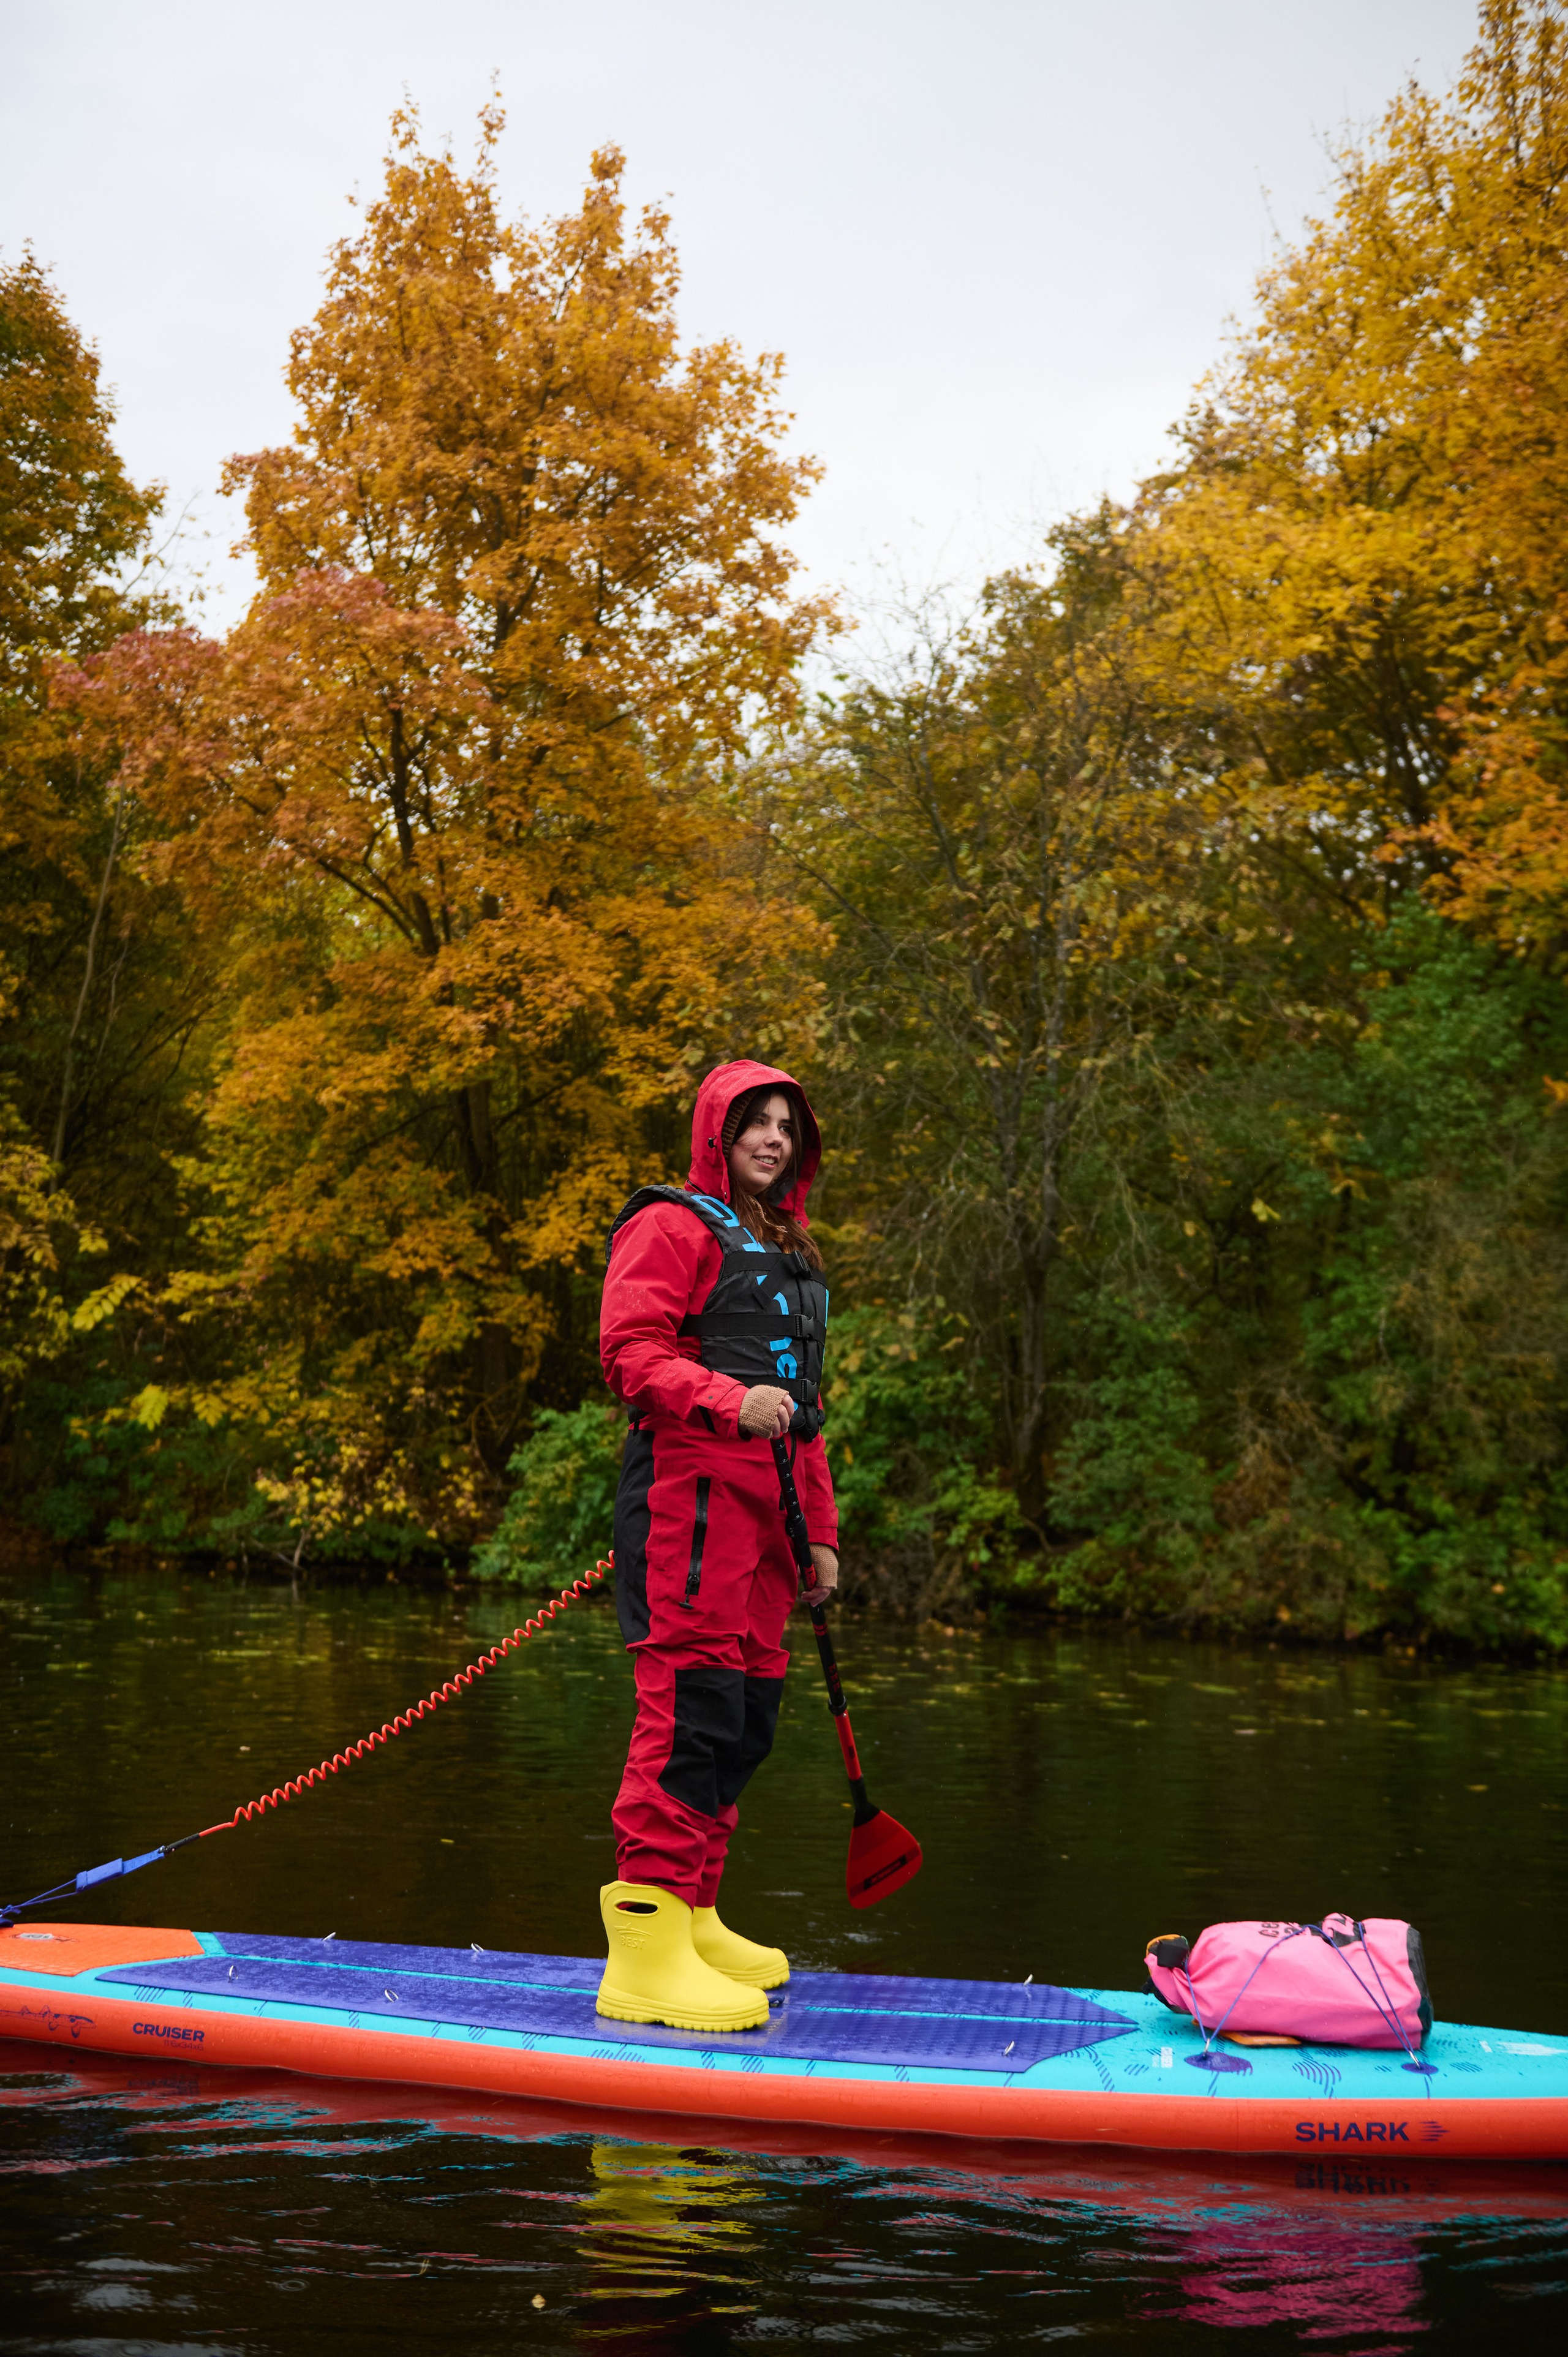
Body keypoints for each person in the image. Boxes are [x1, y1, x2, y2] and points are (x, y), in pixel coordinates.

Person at [595, 1060, 839, 2032]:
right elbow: (630, 1355)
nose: (774, 1138)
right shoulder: (670, 1226)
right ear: (718, 1133)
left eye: (788, 1126)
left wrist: (817, 1537)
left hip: (767, 1523)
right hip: (685, 1508)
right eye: (756, 1123)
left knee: (745, 1721)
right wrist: (729, 1399)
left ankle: (693, 1915)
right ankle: (643, 1950)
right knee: (688, 1714)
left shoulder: (791, 1250)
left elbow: (808, 1414)